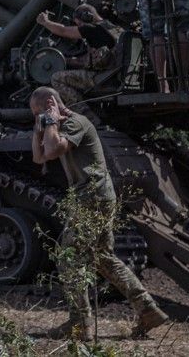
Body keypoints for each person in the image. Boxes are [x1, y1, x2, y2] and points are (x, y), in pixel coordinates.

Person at [28, 86, 168, 340]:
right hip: (96, 197)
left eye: (39, 113)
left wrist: (50, 121)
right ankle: (147, 309)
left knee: (68, 259)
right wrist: (40, 126)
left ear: (51, 103)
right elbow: (39, 157)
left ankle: (80, 325)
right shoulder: (55, 125)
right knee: (103, 257)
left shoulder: (75, 123)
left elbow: (53, 150)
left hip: (92, 197)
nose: (39, 119)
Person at [37, 3, 123, 106]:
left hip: (105, 77)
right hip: (116, 72)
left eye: (79, 24)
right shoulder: (113, 28)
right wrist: (68, 60)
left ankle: (82, 113)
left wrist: (45, 22)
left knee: (56, 78)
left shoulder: (91, 29)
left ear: (87, 16)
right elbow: (91, 60)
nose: (80, 27)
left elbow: (63, 30)